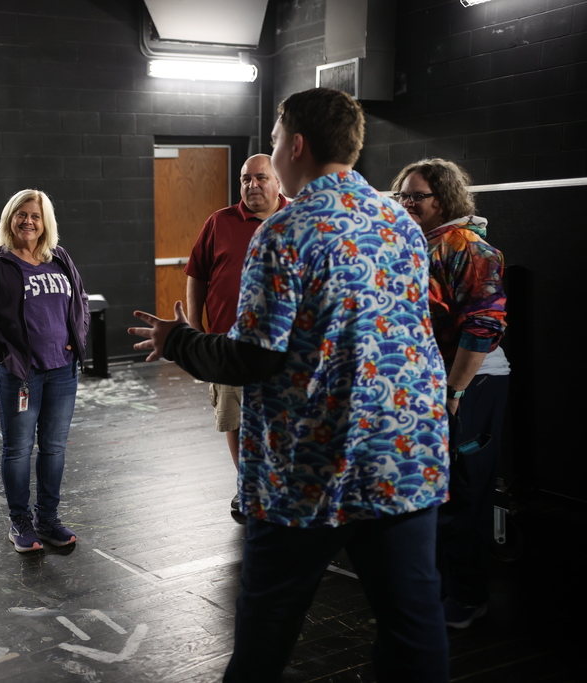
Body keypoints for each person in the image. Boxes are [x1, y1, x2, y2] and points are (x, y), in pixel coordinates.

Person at [130, 88, 451, 682]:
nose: (272, 153)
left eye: (275, 141)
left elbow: (254, 358)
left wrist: (176, 340)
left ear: (296, 145)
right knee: (414, 628)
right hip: (403, 457)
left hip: (310, 469)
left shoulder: (284, 231)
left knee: (267, 628)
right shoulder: (401, 225)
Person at [391, 158, 508, 629]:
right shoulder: (424, 243)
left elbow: (483, 327)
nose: (407, 203)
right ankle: (441, 591)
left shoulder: (468, 247)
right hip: (435, 384)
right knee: (436, 495)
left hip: (472, 383)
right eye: (403, 195)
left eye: (417, 195)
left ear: (444, 198)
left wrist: (455, 389)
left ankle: (469, 597)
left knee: (464, 494)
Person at [0, 189, 90, 553]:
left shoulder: (60, 258)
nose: (28, 221)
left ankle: (47, 519)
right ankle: (20, 521)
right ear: (10, 219)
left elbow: (80, 300)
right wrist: (2, 353)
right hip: (20, 373)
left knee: (53, 447)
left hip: (62, 371)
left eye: (35, 216)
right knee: (19, 449)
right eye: (21, 214)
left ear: (45, 222)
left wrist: (76, 340)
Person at [184, 154, 288, 518]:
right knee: (236, 420)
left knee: (281, 423)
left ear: (278, 182)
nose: (252, 185)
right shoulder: (219, 222)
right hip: (229, 347)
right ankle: (247, 485)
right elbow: (196, 274)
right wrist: (196, 334)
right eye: (245, 179)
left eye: (261, 177)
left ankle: (279, 489)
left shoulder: (299, 220)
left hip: (285, 351)